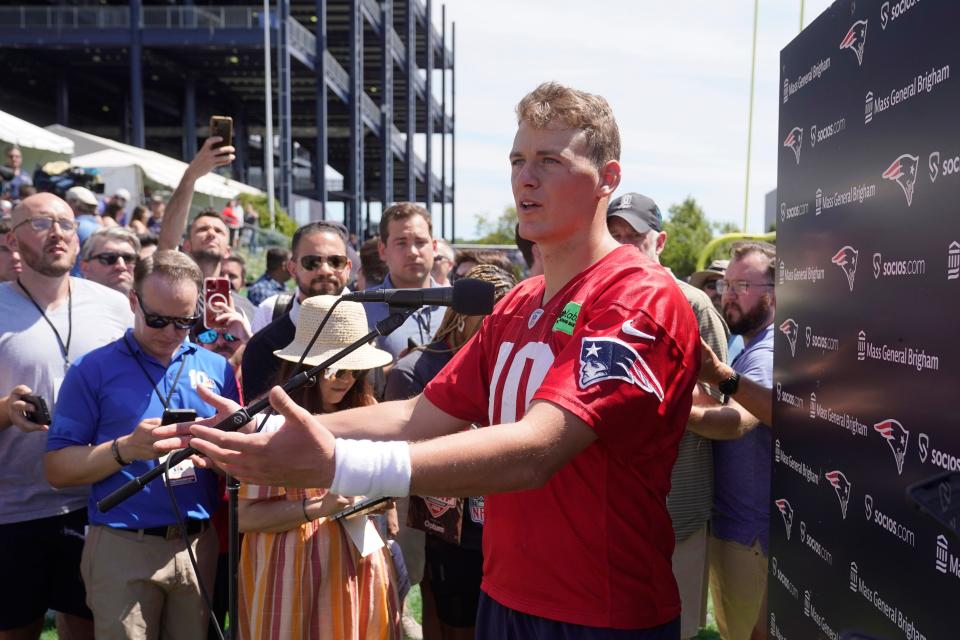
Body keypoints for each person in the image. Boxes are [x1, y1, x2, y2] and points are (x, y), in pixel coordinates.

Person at [157, 81, 701, 639]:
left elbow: (537, 450)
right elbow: (420, 414)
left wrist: (338, 462)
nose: (525, 179)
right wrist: (263, 426)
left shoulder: (639, 296)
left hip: (600, 613)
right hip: (506, 593)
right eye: (517, 160)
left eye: (549, 161)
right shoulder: (517, 302)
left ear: (607, 179)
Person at [44, 250, 239, 640]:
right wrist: (127, 449)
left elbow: (239, 462)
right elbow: (57, 469)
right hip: (122, 544)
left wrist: (219, 452)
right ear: (134, 302)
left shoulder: (216, 368)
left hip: (197, 544)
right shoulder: (92, 369)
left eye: (184, 322)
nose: (170, 332)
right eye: (158, 320)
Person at [0, 192, 132, 640]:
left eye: (66, 223)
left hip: (95, 501)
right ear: (13, 240)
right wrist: (3, 411)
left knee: (89, 625)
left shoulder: (115, 306)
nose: (56, 232)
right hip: (13, 508)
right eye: (41, 223)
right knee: (17, 629)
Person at [238, 295, 399, 639]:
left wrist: (383, 498)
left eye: (355, 370)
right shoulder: (270, 423)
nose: (346, 380)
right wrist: (319, 507)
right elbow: (247, 516)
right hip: (291, 573)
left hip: (358, 565)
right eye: (335, 369)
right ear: (304, 370)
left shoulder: (367, 409)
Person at [606, 191, 729, 640]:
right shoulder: (592, 298)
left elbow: (725, 410)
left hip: (676, 511)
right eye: (613, 235)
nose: (622, 247)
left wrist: (661, 402)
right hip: (608, 509)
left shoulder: (693, 304)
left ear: (660, 241)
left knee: (674, 629)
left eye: (633, 237)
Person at [385, 264, 516, 640]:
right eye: (489, 317)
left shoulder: (510, 360)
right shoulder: (415, 370)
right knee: (450, 622)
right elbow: (404, 452)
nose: (498, 328)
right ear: (459, 317)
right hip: (441, 527)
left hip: (503, 523)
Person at [687, 241, 775, 640]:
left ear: (775, 292)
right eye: (726, 285)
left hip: (748, 533)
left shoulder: (767, 352)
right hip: (735, 526)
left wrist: (664, 406)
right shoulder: (752, 343)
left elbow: (737, 421)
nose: (728, 296)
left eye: (742, 286)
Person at [243, 221, 353, 400]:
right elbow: (257, 423)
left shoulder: (367, 334)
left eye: (335, 261)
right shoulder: (263, 346)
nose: (325, 270)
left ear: (348, 268)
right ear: (292, 268)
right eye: (312, 262)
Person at [362, 203, 446, 358]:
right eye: (401, 243)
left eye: (420, 242)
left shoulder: (458, 307)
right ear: (383, 250)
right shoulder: (361, 310)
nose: (412, 252)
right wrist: (397, 370)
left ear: (434, 247)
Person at [79, 226, 141, 294]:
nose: (121, 266)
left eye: (129, 258)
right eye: (109, 258)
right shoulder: (71, 303)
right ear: (85, 267)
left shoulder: (150, 303)